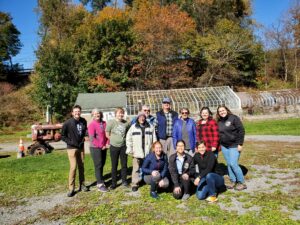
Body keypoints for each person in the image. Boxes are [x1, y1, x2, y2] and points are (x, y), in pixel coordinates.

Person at [216, 105, 247, 191]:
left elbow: (241, 130)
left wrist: (240, 144)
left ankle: (241, 182)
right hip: (224, 146)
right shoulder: (219, 121)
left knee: (233, 163)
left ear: (227, 110)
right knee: (229, 164)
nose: (222, 112)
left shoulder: (233, 118)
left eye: (223, 110)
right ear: (218, 113)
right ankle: (233, 181)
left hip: (234, 145)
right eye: (220, 111)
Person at [61, 105, 89, 197]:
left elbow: (85, 131)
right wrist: (71, 142)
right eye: (75, 111)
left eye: (78, 111)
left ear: (80, 112)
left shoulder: (83, 121)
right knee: (73, 167)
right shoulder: (68, 123)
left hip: (81, 147)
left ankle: (82, 185)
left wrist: (85, 136)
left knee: (81, 166)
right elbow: (63, 136)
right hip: (71, 148)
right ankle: (71, 188)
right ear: (72, 113)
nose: (77, 113)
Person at [126, 113, 157, 192]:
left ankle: (147, 181)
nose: (142, 118)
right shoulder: (133, 127)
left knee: (147, 167)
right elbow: (128, 139)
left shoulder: (150, 127)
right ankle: (135, 184)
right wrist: (130, 149)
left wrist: (154, 150)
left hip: (147, 152)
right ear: (138, 118)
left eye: (143, 117)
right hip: (137, 152)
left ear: (145, 118)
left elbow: (154, 140)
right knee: (136, 168)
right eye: (140, 117)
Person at [106, 107, 130, 189]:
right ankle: (114, 183)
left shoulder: (126, 123)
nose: (121, 114)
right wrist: (112, 140)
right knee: (114, 165)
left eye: (122, 113)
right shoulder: (111, 122)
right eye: (119, 113)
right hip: (114, 147)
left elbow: (128, 134)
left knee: (124, 164)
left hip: (123, 146)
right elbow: (107, 134)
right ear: (115, 114)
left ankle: (124, 181)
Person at [88, 108, 109, 192]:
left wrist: (107, 143)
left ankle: (101, 179)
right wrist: (101, 146)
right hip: (95, 147)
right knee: (98, 165)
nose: (97, 115)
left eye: (98, 113)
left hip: (104, 147)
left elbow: (107, 134)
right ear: (92, 115)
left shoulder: (104, 123)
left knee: (102, 164)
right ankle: (100, 184)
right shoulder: (92, 124)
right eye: (95, 113)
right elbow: (92, 138)